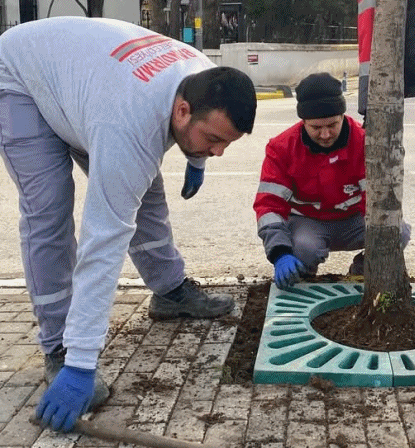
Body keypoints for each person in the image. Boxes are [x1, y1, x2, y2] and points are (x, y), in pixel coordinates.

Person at [0, 17, 257, 432]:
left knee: (146, 190)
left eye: (225, 143)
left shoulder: (203, 75)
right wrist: (82, 362)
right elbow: (103, 241)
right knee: (49, 212)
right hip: (21, 79)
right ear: (182, 110)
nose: (220, 152)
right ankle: (59, 348)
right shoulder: (126, 122)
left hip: (85, 86)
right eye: (214, 141)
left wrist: (198, 157)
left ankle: (170, 292)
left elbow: (192, 132)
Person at [253, 73, 411, 289]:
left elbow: (377, 200)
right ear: (303, 122)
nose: (326, 134)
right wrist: (280, 252)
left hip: (354, 220)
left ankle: (363, 272)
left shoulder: (365, 142)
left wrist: (382, 241)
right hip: (308, 223)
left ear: (342, 116)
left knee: (397, 232)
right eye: (316, 128)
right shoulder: (282, 148)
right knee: (303, 250)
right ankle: (302, 279)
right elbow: (269, 206)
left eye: (332, 125)